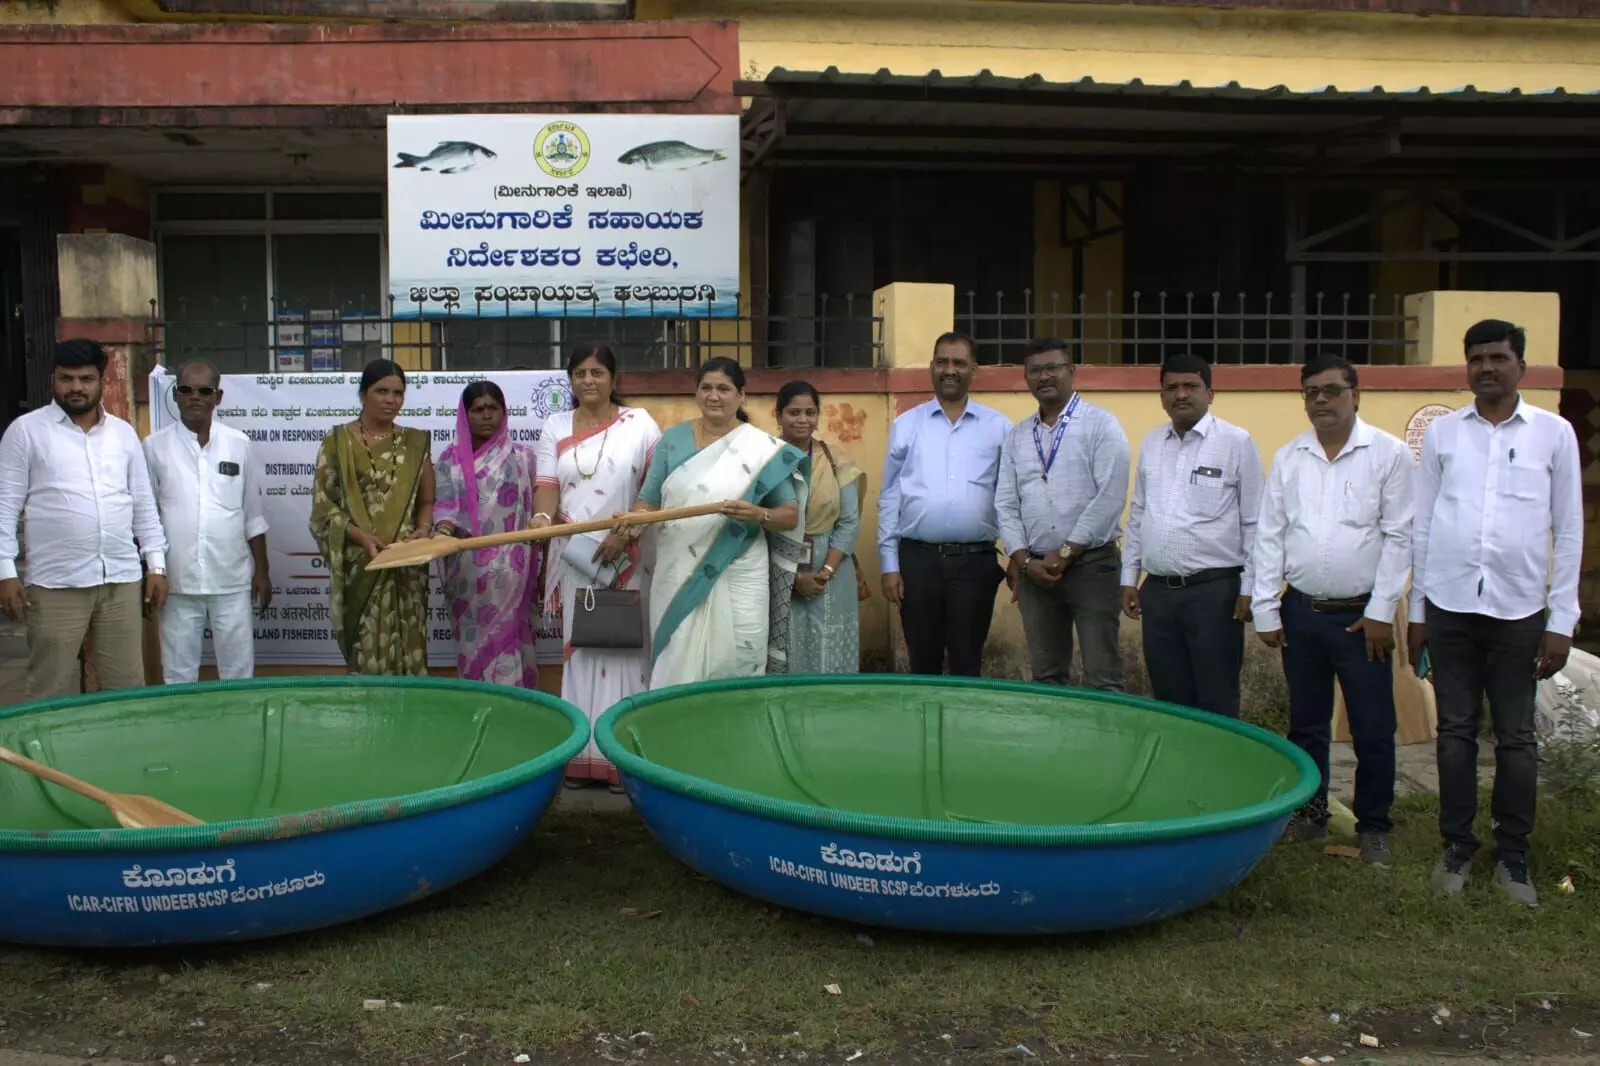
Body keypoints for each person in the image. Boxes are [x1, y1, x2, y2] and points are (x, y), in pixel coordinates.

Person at [1410, 319, 1582, 907]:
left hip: (1519, 611)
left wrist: (1561, 619)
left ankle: (1514, 858)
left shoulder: (1553, 434)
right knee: (1454, 732)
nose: (1487, 367)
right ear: (1467, 367)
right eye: (1477, 358)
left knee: (1515, 738)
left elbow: (1570, 529)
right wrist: (1417, 611)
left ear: (1520, 367)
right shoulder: (1443, 435)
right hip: (1451, 605)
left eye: (1498, 357)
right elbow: (1424, 524)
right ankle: (1457, 846)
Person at [1251, 354, 1412, 867]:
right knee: (1306, 724)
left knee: (1372, 727)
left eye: (1332, 390)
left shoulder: (1386, 454)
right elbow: (1270, 534)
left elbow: (1399, 535)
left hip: (1362, 619)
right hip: (1301, 613)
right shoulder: (1290, 457)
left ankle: (1374, 827)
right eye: (1311, 392)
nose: (1321, 400)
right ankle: (1312, 813)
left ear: (1356, 394)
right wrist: (1265, 608)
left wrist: (1383, 610)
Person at [0, 339, 169, 699]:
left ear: (101, 381)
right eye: (66, 378)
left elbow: (143, 505)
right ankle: (46, 757)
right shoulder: (26, 431)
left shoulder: (123, 433)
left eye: (85, 379)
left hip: (121, 580)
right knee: (51, 687)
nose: (76, 387)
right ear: (53, 380)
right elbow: (5, 506)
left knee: (126, 687)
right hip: (56, 584)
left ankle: (121, 754)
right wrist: (6, 572)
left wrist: (155, 567)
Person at [626, 357, 806, 687]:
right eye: (706, 387)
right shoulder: (673, 440)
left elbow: (789, 515)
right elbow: (647, 502)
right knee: (678, 653)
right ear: (696, 393)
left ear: (741, 396)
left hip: (741, 570)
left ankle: (736, 734)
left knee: (741, 657)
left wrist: (758, 515)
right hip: (679, 573)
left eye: (723, 388)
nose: (714, 395)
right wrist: (633, 523)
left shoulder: (759, 449)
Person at [533, 344, 662, 789]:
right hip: (575, 553)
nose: (589, 380)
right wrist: (542, 521)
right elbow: (547, 485)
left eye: (598, 372)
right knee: (583, 645)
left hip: (627, 551)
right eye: (581, 373)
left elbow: (655, 484)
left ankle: (620, 756)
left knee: (625, 647)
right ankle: (582, 755)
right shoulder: (554, 425)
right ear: (570, 379)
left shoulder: (639, 424)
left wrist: (625, 535)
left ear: (614, 378)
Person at [1121, 353, 1263, 717]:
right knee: (1170, 698)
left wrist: (1249, 589)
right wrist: (1129, 579)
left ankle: (1220, 772)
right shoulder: (1152, 443)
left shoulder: (1236, 442)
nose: (1180, 394)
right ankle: (1179, 772)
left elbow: (1254, 522)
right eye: (1171, 387)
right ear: (1161, 396)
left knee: (1216, 697)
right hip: (1159, 595)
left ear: (1210, 394)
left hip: (1214, 594)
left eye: (1191, 386)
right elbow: (1138, 514)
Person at [996, 338, 1131, 690]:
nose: (1044, 376)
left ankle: (1103, 743)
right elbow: (1006, 504)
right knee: (1046, 677)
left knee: (1102, 675)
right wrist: (1024, 562)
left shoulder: (1101, 425)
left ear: (1071, 372)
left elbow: (1110, 496)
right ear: (1026, 378)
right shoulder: (1018, 436)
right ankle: (1055, 744)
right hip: (1036, 574)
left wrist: (1067, 553)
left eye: (1052, 367)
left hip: (1091, 567)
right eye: (1035, 370)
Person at [878, 332, 1010, 676]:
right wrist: (889, 563)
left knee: (968, 661)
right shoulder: (906, 425)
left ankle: (963, 728)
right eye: (942, 361)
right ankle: (926, 727)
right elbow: (890, 494)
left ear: (973, 369)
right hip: (917, 563)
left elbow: (1010, 496)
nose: (949, 370)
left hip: (975, 563)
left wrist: (1017, 557)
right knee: (923, 662)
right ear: (932, 367)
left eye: (959, 363)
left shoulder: (998, 427)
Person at [143, 359, 271, 684]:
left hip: (231, 579)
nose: (195, 397)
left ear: (218, 397)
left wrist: (263, 572)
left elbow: (252, 515)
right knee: (178, 674)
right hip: (178, 581)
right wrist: (153, 571)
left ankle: (237, 730)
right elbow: (147, 517)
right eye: (186, 389)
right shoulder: (153, 447)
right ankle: (183, 732)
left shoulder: (238, 444)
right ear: (175, 395)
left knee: (238, 672)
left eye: (204, 390)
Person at [309, 359, 435, 676]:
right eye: (381, 391)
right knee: (365, 652)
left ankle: (406, 720)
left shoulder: (416, 443)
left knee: (408, 646)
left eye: (398, 393)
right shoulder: (337, 442)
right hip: (361, 564)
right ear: (364, 394)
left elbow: (427, 500)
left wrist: (422, 530)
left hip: (405, 565)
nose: (390, 400)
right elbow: (324, 507)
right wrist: (359, 536)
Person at [432, 380, 540, 689]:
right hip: (467, 573)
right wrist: (442, 532)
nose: (486, 416)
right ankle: (479, 709)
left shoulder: (524, 457)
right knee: (473, 643)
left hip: (512, 572)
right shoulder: (449, 459)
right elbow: (445, 506)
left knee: (511, 640)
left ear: (504, 413)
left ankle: (518, 712)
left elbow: (536, 509)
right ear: (465, 416)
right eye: (477, 410)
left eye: (493, 408)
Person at [772, 379, 868, 676]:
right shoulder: (764, 459)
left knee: (831, 650)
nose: (803, 420)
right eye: (794, 412)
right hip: (778, 569)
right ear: (778, 415)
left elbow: (849, 522)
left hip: (833, 570)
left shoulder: (836, 459)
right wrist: (794, 576)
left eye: (809, 412)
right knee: (787, 650)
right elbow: (759, 525)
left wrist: (825, 572)